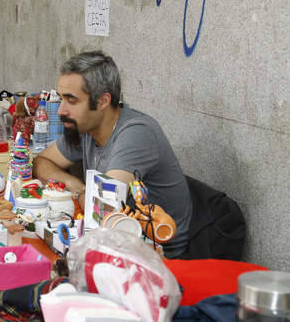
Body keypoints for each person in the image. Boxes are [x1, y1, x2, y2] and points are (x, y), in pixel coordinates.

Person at [34, 51, 193, 257]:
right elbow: (42, 161)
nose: (60, 110)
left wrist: (85, 195)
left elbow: (103, 209)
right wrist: (80, 189)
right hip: (115, 244)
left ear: (102, 101)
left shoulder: (137, 132)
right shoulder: (87, 125)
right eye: (61, 98)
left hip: (160, 258)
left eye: (71, 100)